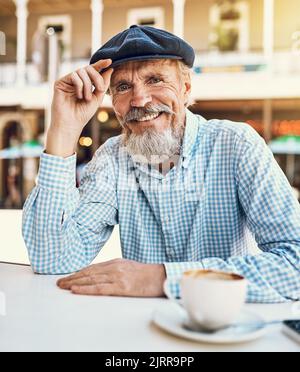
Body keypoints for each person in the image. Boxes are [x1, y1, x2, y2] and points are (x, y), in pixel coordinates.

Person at [22, 26, 300, 302]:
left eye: (155, 80)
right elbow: (52, 260)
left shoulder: (236, 144)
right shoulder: (111, 158)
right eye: (122, 86)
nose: (139, 99)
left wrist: (162, 278)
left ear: (186, 88)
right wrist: (63, 131)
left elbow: (294, 263)